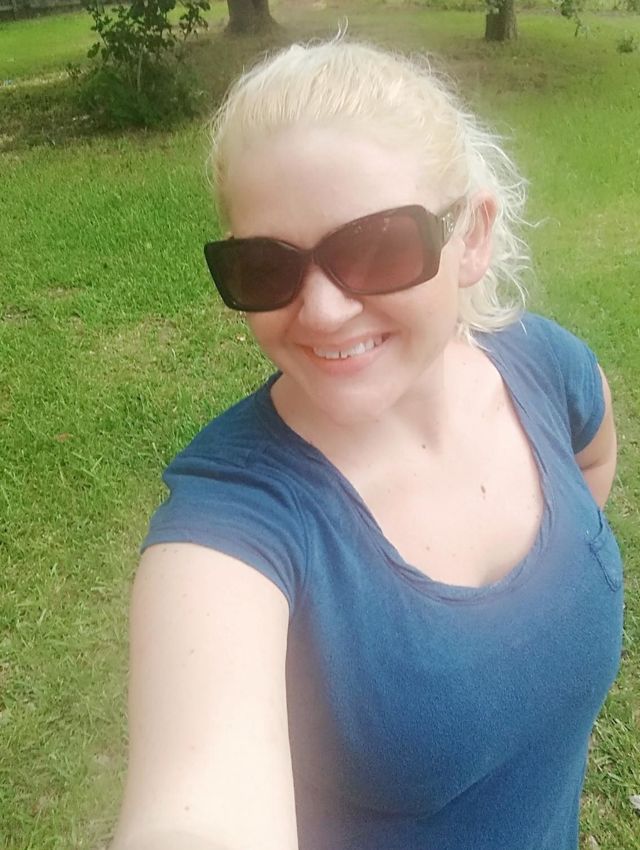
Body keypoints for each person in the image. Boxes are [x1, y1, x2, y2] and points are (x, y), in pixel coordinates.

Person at [110, 37, 624, 850]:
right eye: (265, 267)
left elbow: (593, 456)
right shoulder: (232, 524)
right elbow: (198, 810)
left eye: (377, 246)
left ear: (472, 237)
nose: (320, 311)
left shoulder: (545, 368)